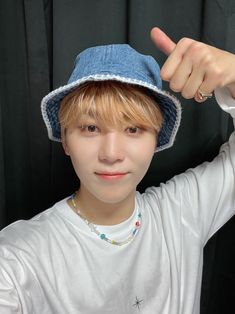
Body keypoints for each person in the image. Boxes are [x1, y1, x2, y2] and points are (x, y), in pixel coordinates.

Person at [0, 27, 235, 314]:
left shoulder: (182, 212)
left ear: (156, 139)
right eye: (90, 128)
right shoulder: (19, 257)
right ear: (65, 140)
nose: (111, 154)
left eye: (133, 128)